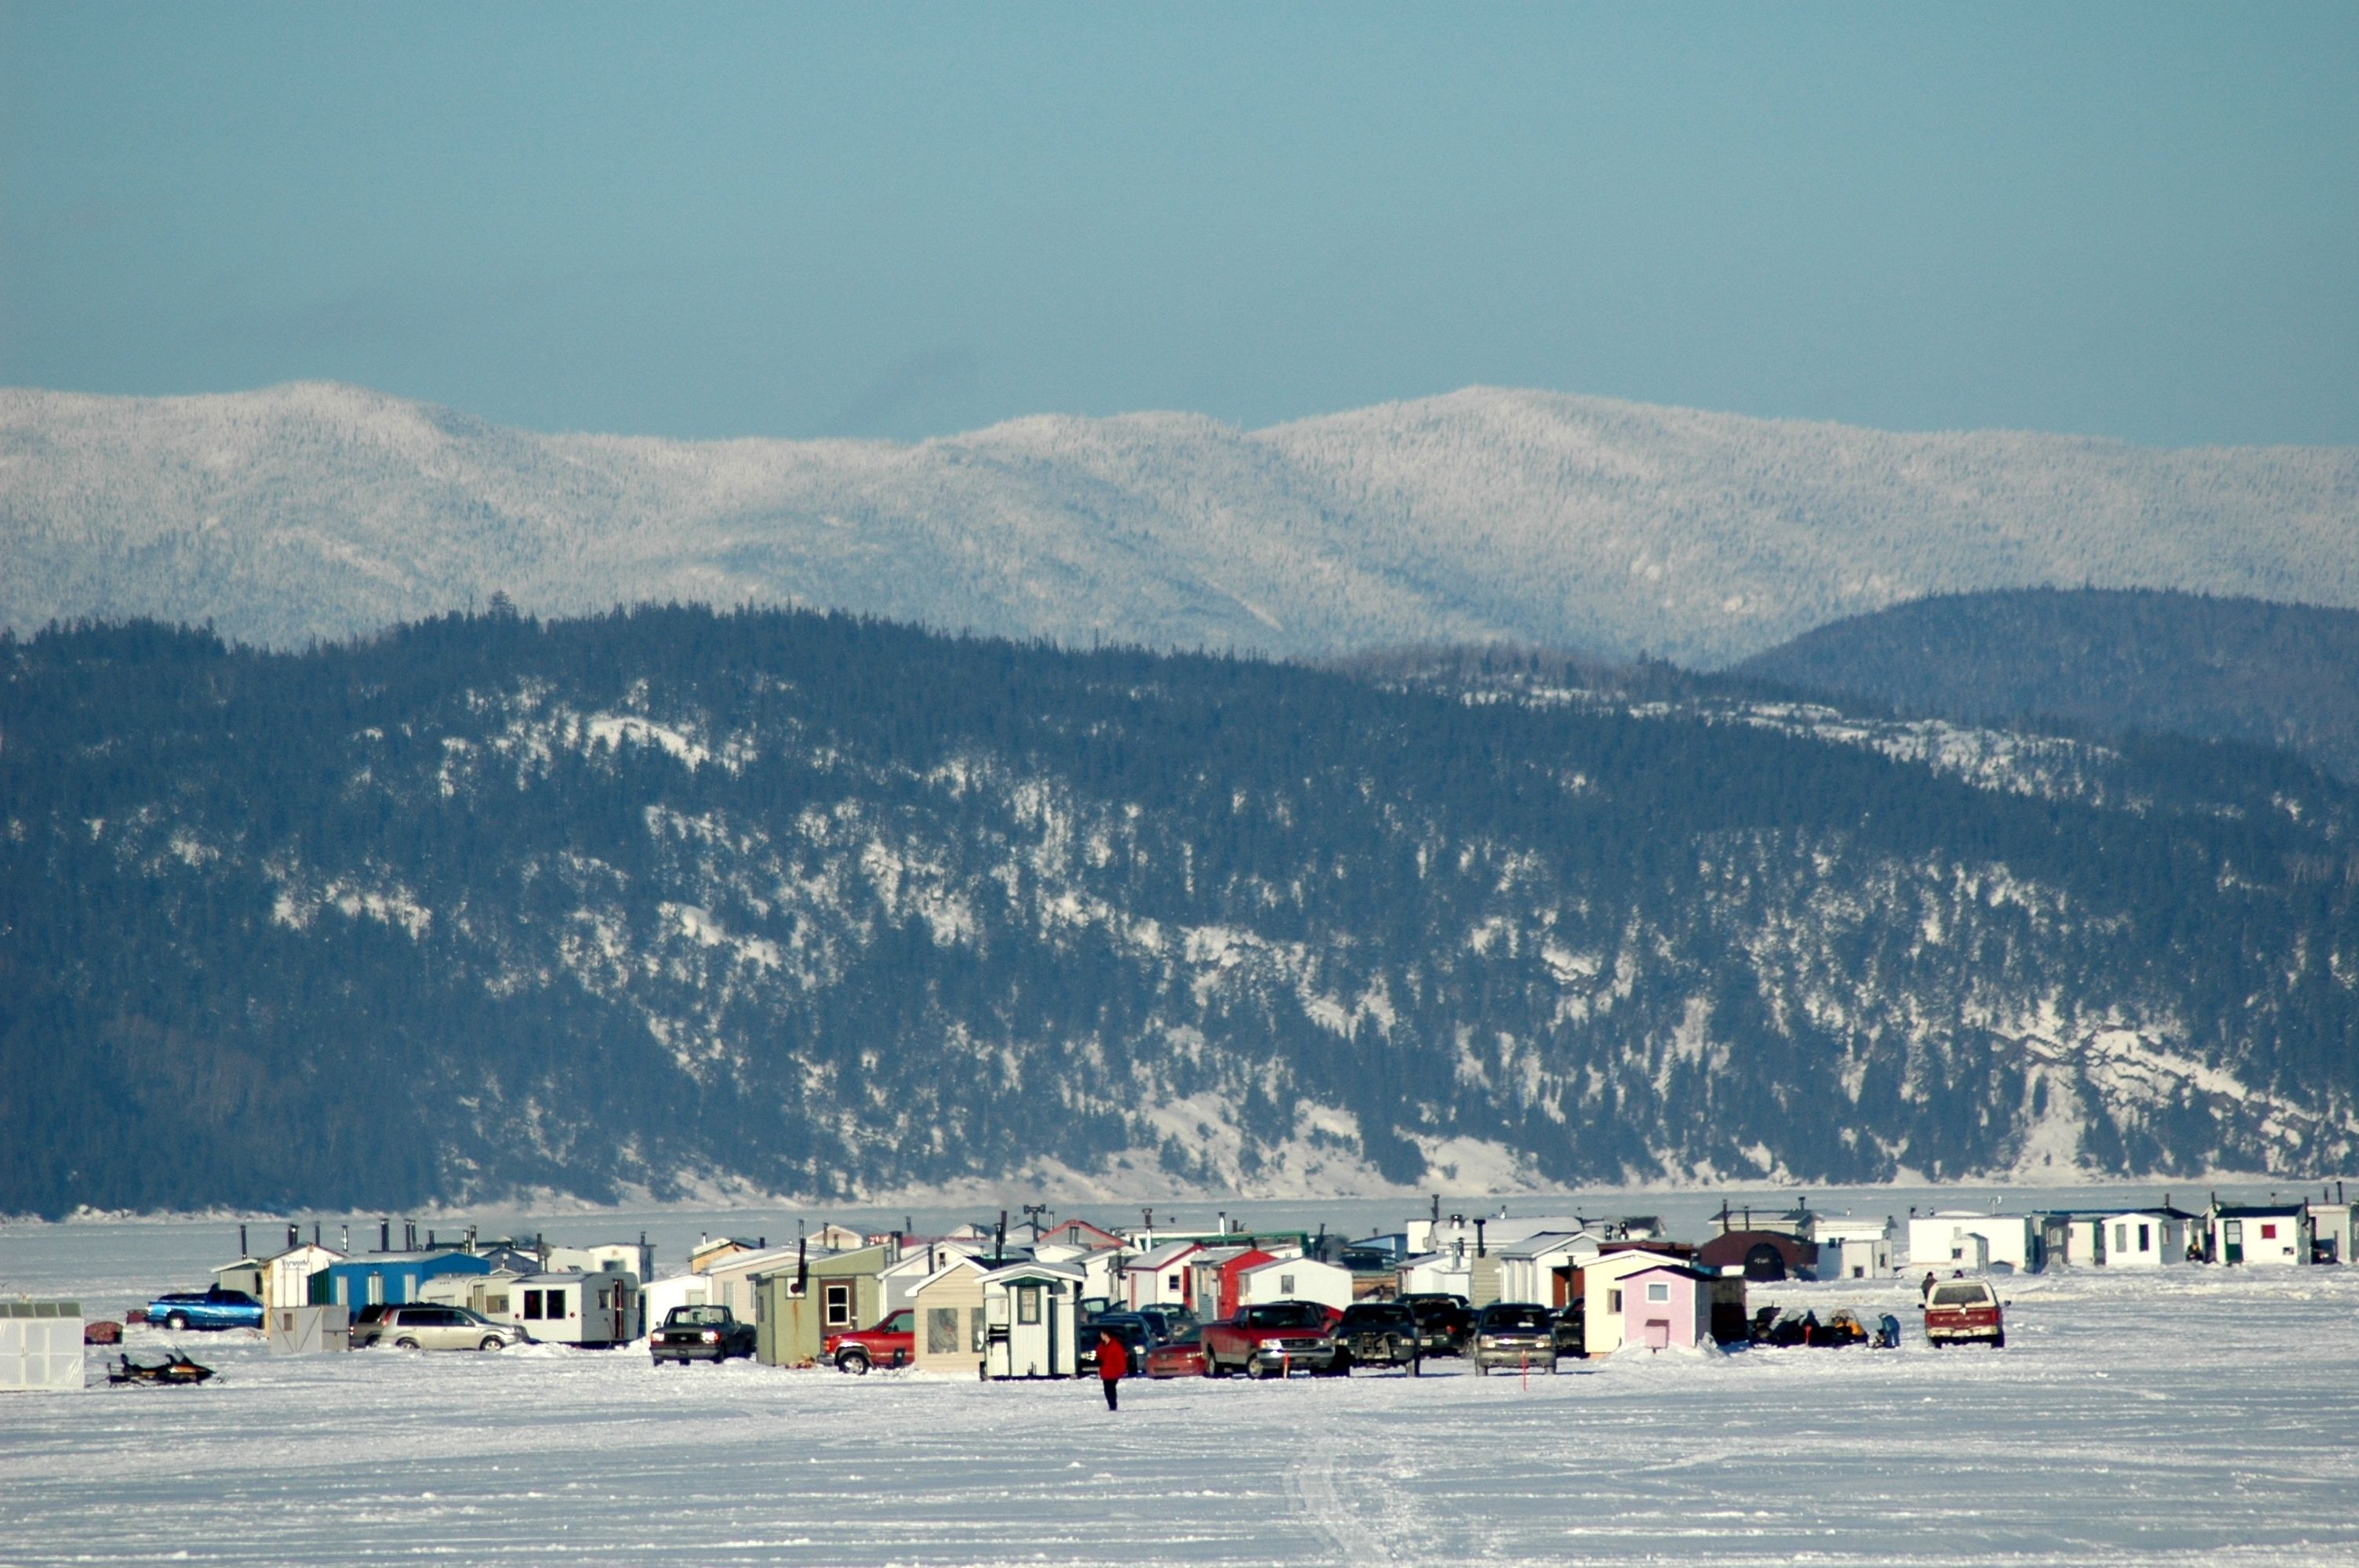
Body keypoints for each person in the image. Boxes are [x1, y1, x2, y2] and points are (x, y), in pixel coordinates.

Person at [1096, 1327, 1128, 1410]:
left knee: (1111, 1389)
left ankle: (1113, 1406)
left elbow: (1121, 1360)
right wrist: (1087, 1359)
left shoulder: (1116, 1346)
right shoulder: (1101, 1346)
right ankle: (1111, 1405)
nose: (1101, 1336)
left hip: (1113, 1372)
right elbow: (1097, 1355)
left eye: (1102, 1334)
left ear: (1106, 1335)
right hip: (1105, 1372)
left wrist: (1121, 1371)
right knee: (1107, 1390)